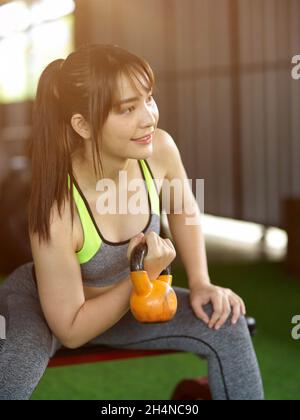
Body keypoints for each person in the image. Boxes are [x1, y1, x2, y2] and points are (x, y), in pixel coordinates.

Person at [0, 44, 264, 400]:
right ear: (83, 124)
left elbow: (184, 211)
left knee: (227, 324)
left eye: (149, 99)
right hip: (51, 311)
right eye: (127, 109)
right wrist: (141, 277)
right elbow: (73, 330)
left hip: (127, 310)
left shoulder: (160, 151)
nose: (148, 118)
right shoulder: (57, 207)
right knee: (12, 377)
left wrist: (201, 282)